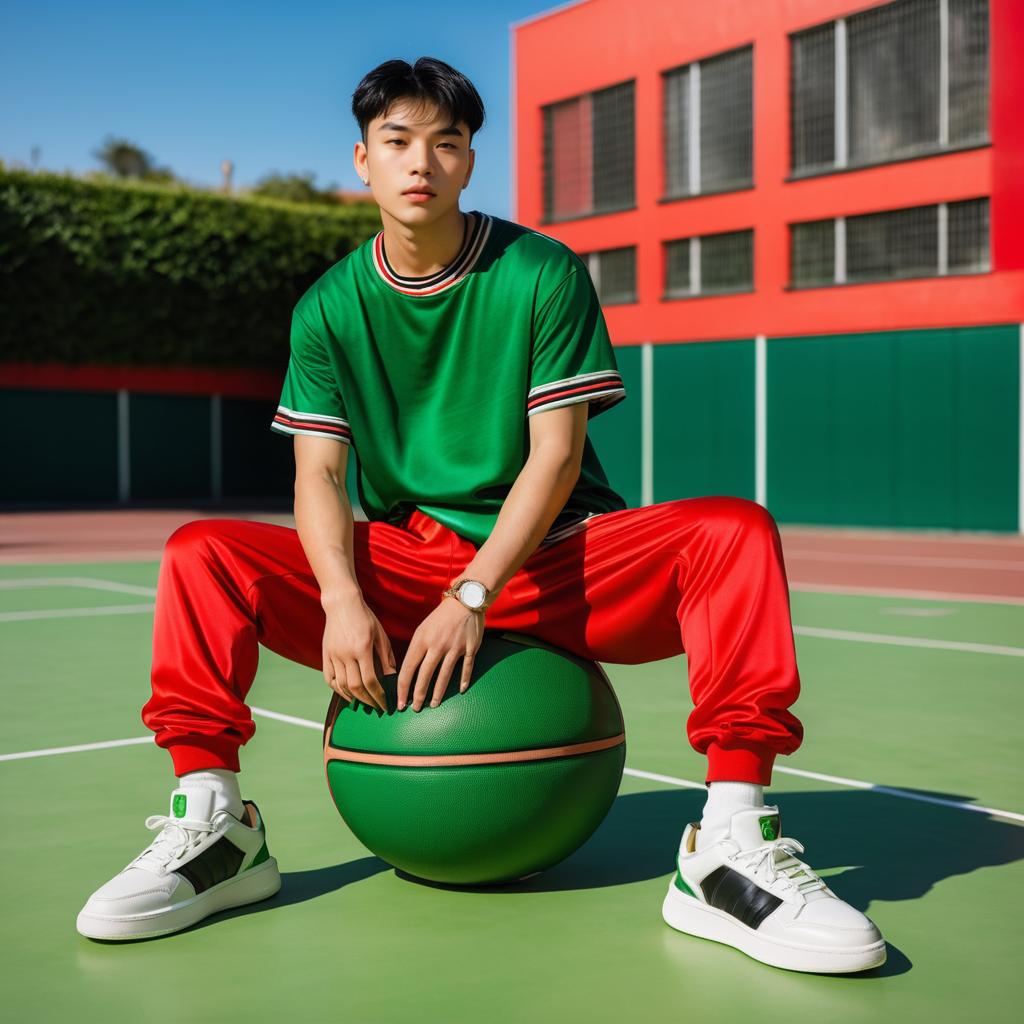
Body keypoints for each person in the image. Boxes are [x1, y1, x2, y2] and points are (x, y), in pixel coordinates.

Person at [76, 56, 886, 973]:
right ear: (362, 161)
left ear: (468, 163)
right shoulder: (327, 310)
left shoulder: (539, 272)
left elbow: (557, 454)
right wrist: (341, 598)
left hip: (552, 558)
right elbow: (318, 477)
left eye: (445, 143)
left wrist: (472, 593)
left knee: (733, 531)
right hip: (400, 566)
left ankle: (729, 846)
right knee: (201, 552)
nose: (421, 161)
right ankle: (218, 831)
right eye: (398, 142)